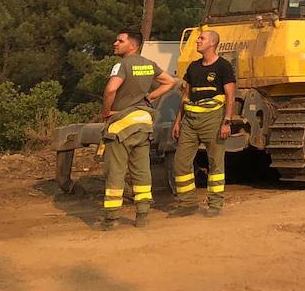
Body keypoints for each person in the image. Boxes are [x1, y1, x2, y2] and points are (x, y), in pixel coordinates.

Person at [98, 29, 176, 230]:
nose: (115, 43)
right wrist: (150, 98)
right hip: (143, 123)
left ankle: (111, 218)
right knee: (142, 171)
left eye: (120, 40)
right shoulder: (148, 65)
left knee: (116, 171)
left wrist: (106, 111)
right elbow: (170, 81)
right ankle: (142, 215)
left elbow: (110, 89)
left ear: (132, 45)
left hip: (121, 123)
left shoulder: (122, 65)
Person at [172, 28, 236, 216]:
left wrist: (227, 122)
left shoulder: (223, 66)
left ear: (212, 43)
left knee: (215, 163)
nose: (197, 40)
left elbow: (230, 96)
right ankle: (187, 204)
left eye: (202, 38)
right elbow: (185, 96)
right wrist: (178, 121)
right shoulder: (193, 67)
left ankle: (215, 205)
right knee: (181, 161)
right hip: (190, 122)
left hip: (213, 119)